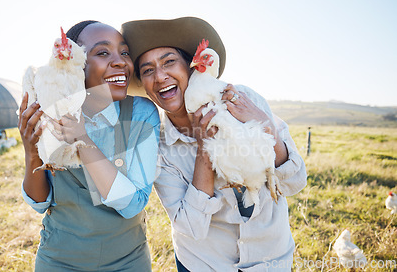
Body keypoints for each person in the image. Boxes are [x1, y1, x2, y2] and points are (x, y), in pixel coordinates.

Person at [122, 17, 307, 271]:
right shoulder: (160, 146)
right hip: (205, 264)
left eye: (169, 62)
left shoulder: (242, 99)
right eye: (148, 70)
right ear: (143, 83)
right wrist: (204, 149)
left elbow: (294, 182)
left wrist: (263, 123)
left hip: (271, 260)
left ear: (191, 67)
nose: (161, 76)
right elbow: (191, 228)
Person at [19, 20, 160, 271]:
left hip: (127, 260)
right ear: (76, 64)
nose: (120, 61)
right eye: (103, 52)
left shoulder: (141, 114)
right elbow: (40, 202)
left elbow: (134, 205)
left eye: (125, 52)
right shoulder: (50, 109)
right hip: (60, 261)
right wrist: (32, 153)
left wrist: (83, 140)